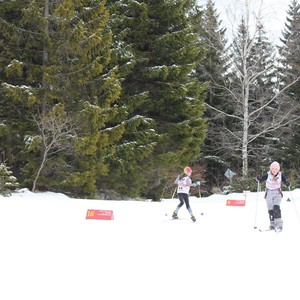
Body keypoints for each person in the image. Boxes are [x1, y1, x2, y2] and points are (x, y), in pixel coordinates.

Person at [256, 161, 290, 231]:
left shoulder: (281, 175)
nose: (274, 170)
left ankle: (279, 225)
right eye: (273, 169)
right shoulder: (267, 175)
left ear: (278, 170)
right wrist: (259, 179)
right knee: (270, 209)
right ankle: (272, 224)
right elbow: (261, 179)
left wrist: (287, 183)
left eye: (276, 169)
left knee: (276, 208)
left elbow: (285, 181)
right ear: (270, 169)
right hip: (269, 193)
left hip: (277, 192)